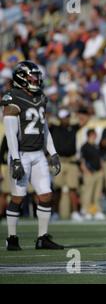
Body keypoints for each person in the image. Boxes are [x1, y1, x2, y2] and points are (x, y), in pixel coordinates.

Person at [1, 61, 63, 250]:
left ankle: (42, 237)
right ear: (21, 78)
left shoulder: (40, 97)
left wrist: (52, 152)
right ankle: (12, 238)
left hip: (37, 154)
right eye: (31, 76)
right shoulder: (13, 98)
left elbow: (43, 127)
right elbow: (10, 132)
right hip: (21, 153)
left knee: (46, 195)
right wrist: (16, 159)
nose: (35, 79)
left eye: (36, 76)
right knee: (18, 197)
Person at [50, 108, 86, 221]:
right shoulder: (54, 127)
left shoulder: (73, 127)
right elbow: (46, 120)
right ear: (60, 118)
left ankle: (75, 212)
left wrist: (75, 114)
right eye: (65, 117)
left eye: (68, 117)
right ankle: (55, 212)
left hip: (71, 161)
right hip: (59, 161)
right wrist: (55, 119)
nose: (67, 119)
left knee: (73, 188)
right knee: (57, 189)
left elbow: (85, 120)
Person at [80, 128, 106, 220]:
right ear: (89, 135)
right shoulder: (84, 146)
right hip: (89, 173)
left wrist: (102, 170)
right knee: (88, 193)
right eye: (93, 134)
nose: (95, 136)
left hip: (98, 172)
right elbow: (82, 161)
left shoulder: (96, 146)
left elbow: (100, 159)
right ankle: (86, 211)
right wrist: (86, 171)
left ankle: (96, 211)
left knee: (97, 194)